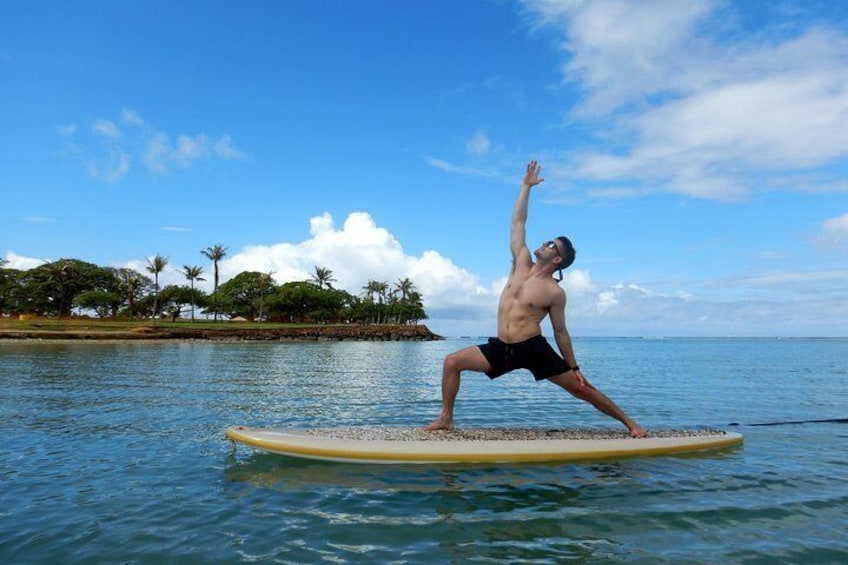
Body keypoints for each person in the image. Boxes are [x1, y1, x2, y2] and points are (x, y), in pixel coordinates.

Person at [425, 160, 647, 438]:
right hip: (501, 347)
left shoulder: (554, 292)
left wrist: (574, 367)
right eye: (547, 240)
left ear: (557, 259)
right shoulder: (520, 261)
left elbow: (561, 332)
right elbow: (518, 221)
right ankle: (446, 418)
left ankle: (631, 425)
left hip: (532, 348)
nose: (544, 243)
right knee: (451, 362)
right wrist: (525, 187)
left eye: (552, 244)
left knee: (581, 389)